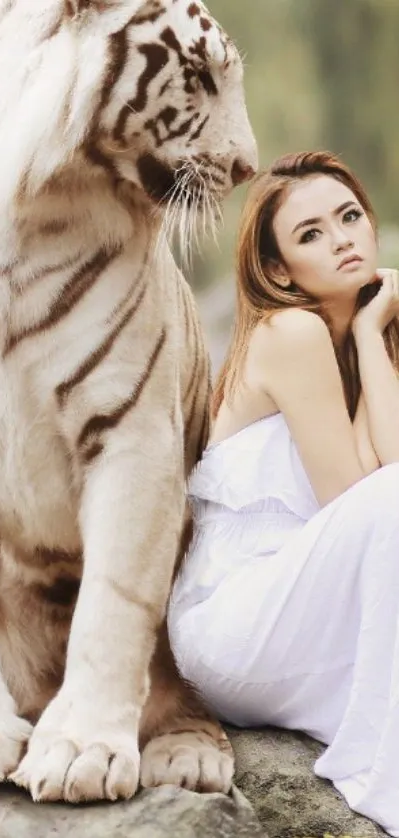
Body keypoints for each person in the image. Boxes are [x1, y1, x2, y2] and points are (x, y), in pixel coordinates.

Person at [167, 150, 399, 836]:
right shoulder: (289, 332)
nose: (342, 240)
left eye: (349, 216)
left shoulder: (364, 348)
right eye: (310, 234)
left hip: (305, 613)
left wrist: (370, 342)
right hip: (232, 622)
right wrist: (364, 327)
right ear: (276, 270)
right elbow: (361, 497)